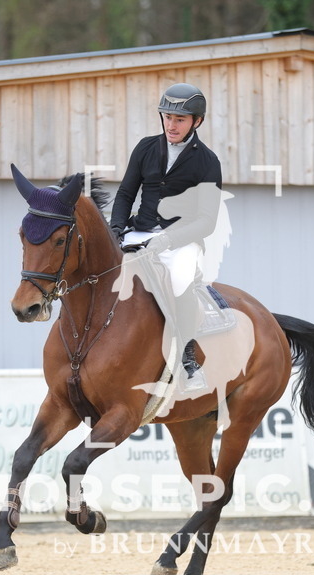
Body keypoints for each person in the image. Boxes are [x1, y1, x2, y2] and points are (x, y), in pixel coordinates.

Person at [110, 83, 225, 392]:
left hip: (182, 240)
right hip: (140, 231)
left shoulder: (208, 162)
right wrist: (116, 228)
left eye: (180, 120)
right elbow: (125, 194)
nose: (171, 125)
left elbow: (207, 221)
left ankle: (188, 358)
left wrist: (169, 240)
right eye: (167, 117)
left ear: (197, 121)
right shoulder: (146, 148)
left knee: (179, 280)